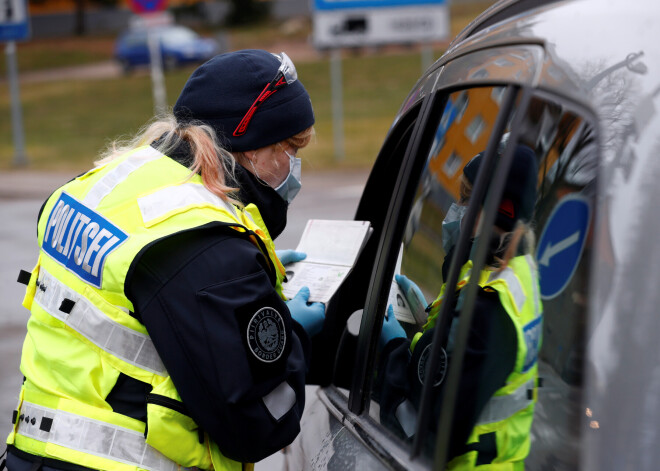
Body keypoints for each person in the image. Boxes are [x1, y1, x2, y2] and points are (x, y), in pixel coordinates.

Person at [3, 49, 325, 471]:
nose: (293, 165)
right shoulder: (207, 248)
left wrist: (240, 280)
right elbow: (259, 424)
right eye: (288, 147)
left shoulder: (104, 184)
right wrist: (290, 331)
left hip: (35, 454)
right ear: (249, 148)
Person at [378, 145, 543, 469]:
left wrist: (393, 349)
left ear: (493, 211)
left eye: (466, 199)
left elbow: (422, 437)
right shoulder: (512, 274)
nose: (456, 208)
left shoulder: (487, 312)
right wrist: (429, 325)